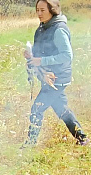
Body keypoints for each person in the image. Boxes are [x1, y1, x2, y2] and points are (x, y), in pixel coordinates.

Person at [23, 0, 88, 147]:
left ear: (52, 10)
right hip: (47, 76)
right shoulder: (42, 27)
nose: (39, 13)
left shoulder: (59, 29)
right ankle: (83, 138)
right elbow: (43, 50)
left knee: (37, 108)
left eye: (42, 10)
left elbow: (67, 55)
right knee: (61, 109)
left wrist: (42, 61)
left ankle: (30, 144)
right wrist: (31, 55)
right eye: (37, 10)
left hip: (57, 78)